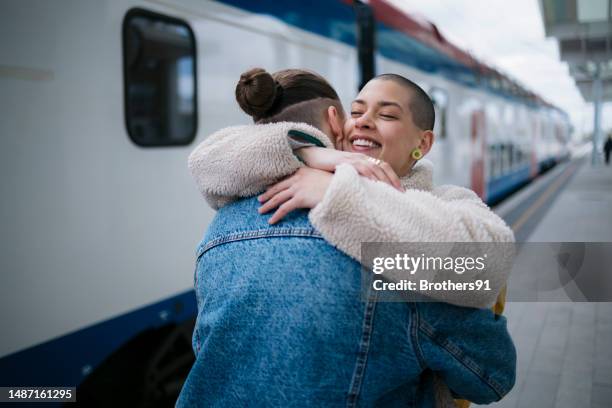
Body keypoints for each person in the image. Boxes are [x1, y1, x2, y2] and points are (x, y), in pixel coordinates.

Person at [177, 68, 516, 407]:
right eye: (356, 112)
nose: (364, 121)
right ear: (338, 124)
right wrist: (305, 151)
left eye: (386, 115)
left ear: (422, 143)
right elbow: (491, 375)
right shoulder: (296, 187)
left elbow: (490, 257)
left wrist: (338, 192)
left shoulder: (448, 203)